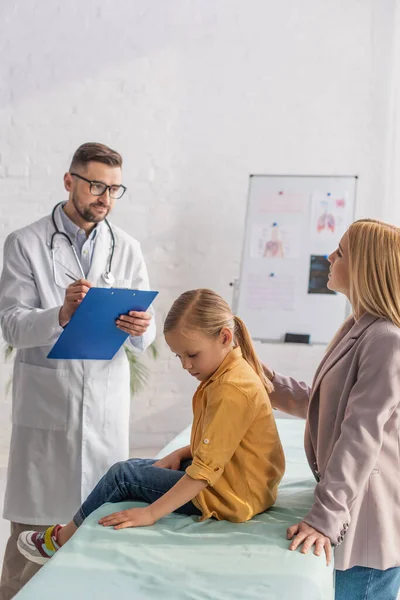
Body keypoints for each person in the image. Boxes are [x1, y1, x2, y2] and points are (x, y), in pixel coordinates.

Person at [16, 289, 285, 564]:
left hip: (232, 496)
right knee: (138, 466)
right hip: (245, 486)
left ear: (225, 338)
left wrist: (150, 514)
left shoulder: (232, 389)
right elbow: (223, 442)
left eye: (192, 354)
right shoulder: (231, 372)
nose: (186, 365)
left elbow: (204, 472)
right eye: (179, 357)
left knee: (123, 475)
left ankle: (59, 541)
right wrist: (183, 453)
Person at [0, 142, 156, 599]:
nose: (104, 197)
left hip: (105, 414)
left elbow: (144, 339)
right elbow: (10, 325)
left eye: (113, 188)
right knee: (26, 554)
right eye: (95, 185)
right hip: (47, 414)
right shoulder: (25, 243)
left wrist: (140, 327)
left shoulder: (127, 248)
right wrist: (59, 315)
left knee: (96, 547)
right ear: (69, 181)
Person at [263, 219, 400, 600]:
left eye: (339, 252)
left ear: (363, 267)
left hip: (368, 519)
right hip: (350, 506)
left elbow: (361, 434)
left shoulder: (387, 340)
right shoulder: (357, 328)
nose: (329, 257)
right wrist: (266, 380)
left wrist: (325, 518)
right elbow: (323, 404)